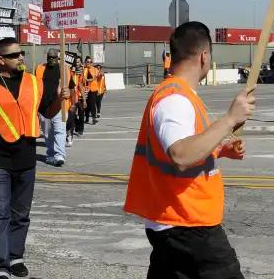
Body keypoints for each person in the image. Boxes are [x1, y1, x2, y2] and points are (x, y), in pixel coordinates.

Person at [123, 21, 253, 278]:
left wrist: (220, 150)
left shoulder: (181, 95)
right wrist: (229, 119)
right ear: (204, 57)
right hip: (187, 223)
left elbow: (184, 148)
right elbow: (180, 155)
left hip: (174, 221)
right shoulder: (175, 99)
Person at [0, 37, 69, 279]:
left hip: (26, 159)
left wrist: (59, 99)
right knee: (0, 213)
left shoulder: (34, 84)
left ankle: (16, 256)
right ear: (0, 60)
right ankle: (0, 266)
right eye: (14, 55)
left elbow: (48, 113)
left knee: (21, 213)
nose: (21, 57)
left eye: (22, 53)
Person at [34, 49, 76, 166]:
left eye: (54, 58)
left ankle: (59, 155)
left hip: (60, 106)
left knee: (60, 131)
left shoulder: (64, 70)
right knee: (48, 134)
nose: (51, 60)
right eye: (49, 57)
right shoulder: (39, 69)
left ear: (58, 58)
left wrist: (73, 103)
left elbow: (72, 87)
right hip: (44, 108)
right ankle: (51, 154)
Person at [72, 58, 86, 137]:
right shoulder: (72, 72)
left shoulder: (84, 71)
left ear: (80, 63)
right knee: (73, 115)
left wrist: (84, 99)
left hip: (82, 95)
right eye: (75, 62)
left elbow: (81, 84)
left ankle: (80, 129)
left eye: (78, 62)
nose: (77, 63)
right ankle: (77, 125)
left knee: (81, 114)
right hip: (74, 96)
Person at [83, 56, 99, 125]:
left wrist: (87, 79)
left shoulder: (95, 69)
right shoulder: (83, 69)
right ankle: (86, 118)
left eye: (90, 62)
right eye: (87, 62)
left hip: (93, 89)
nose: (89, 63)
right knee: (86, 104)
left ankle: (94, 118)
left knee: (92, 104)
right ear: (85, 62)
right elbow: (82, 79)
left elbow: (95, 79)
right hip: (85, 89)